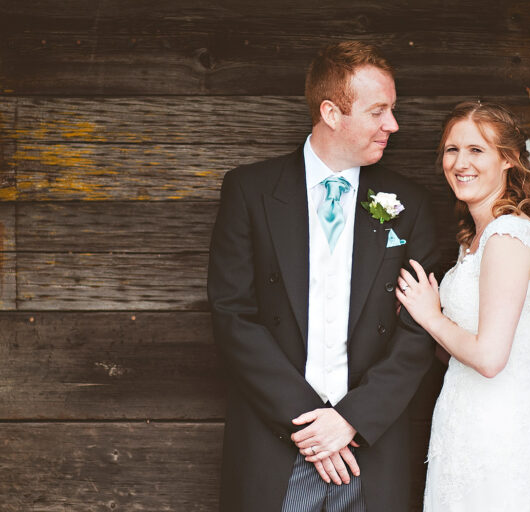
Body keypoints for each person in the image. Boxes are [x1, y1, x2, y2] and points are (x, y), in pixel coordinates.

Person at [207, 41, 438, 511]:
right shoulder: (250, 191)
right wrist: (309, 425)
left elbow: (421, 329)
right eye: (379, 111)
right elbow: (233, 315)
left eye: (392, 110)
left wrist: (351, 419)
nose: (392, 124)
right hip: (275, 442)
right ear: (331, 112)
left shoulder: (409, 203)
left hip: (370, 447)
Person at [396, 102, 530, 511]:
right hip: (463, 429)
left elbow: (491, 358)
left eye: (477, 150)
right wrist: (423, 322)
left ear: (508, 160)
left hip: (499, 439)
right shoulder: (475, 240)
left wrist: (431, 315)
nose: (460, 162)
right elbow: (463, 352)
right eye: (451, 150)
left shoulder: (507, 238)